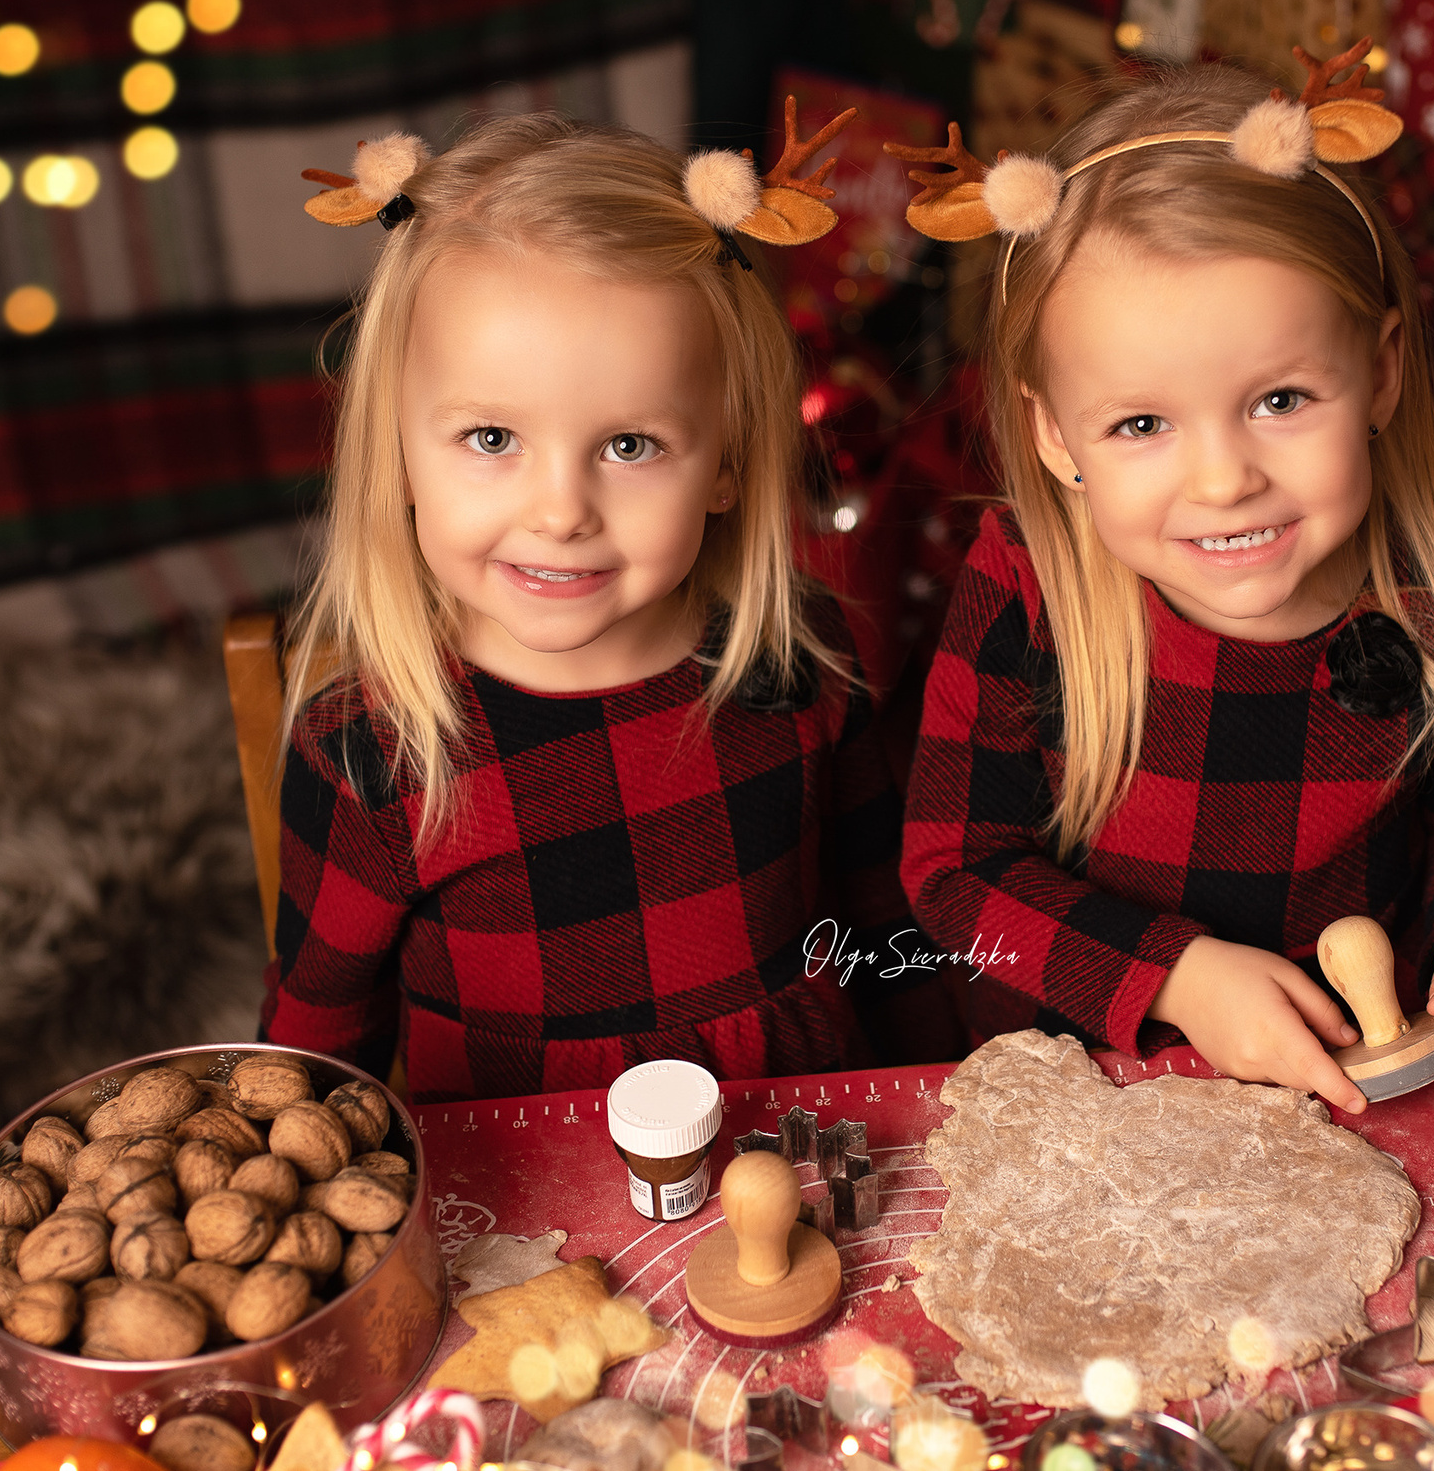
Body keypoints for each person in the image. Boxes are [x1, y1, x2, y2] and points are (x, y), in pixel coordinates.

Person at [893, 49, 1434, 1114]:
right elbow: (955, 872)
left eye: (1280, 400)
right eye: (1142, 423)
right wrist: (1173, 975)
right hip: (1084, 1102)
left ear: (1381, 371)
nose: (1224, 480)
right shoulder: (1033, 589)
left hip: (1357, 1092)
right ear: (1056, 434)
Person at [258, 106, 936, 1099]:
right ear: (397, 452)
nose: (561, 512)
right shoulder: (371, 754)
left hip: (803, 1163)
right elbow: (314, 1059)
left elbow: (887, 936)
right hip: (515, 1191)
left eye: (628, 445)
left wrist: (949, 1098)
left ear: (728, 459)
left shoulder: (793, 662)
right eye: (492, 438)